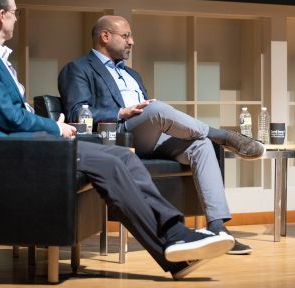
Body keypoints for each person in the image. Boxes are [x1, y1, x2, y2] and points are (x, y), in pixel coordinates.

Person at [0, 0, 235, 280]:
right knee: (111, 162)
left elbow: (12, 114)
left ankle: (175, 238)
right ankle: (174, 244)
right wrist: (56, 128)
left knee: (121, 157)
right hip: (8, 148)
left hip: (29, 140)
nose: (17, 19)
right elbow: (9, 118)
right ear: (1, 16)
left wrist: (53, 128)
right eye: (15, 13)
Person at [58, 15, 265, 255]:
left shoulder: (132, 75)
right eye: (125, 36)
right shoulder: (78, 69)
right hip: (117, 135)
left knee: (201, 144)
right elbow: (76, 111)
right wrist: (121, 111)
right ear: (105, 36)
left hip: (148, 136)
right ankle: (225, 137)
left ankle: (218, 228)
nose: (131, 41)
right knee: (157, 109)